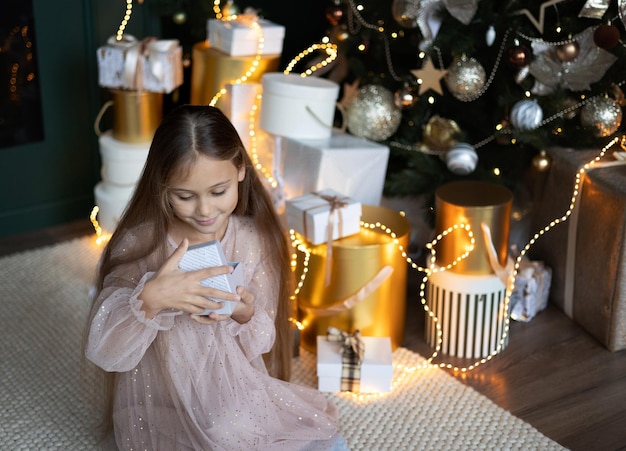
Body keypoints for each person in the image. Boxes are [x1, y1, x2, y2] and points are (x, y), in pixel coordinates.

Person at [84, 105, 347, 450]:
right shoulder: (142, 244)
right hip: (161, 396)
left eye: (218, 192)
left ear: (239, 169)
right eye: (185, 196)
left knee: (315, 439)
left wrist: (245, 313)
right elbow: (106, 351)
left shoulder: (255, 240)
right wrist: (150, 300)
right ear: (163, 185)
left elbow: (262, 340)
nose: (205, 211)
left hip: (229, 393)